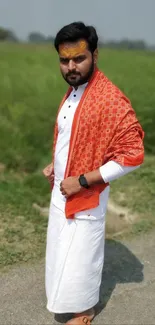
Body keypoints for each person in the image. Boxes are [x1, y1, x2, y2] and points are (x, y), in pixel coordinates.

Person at [43, 22, 144, 325]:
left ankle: (85, 310)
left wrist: (82, 180)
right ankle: (66, 299)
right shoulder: (74, 92)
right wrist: (56, 165)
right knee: (61, 251)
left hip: (85, 194)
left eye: (79, 58)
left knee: (82, 255)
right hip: (62, 188)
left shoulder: (110, 98)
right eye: (65, 60)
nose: (71, 66)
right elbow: (70, 136)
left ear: (95, 55)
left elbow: (133, 155)